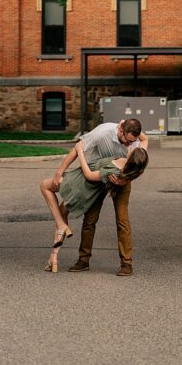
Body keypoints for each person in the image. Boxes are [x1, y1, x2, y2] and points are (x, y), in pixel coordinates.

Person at [51, 118, 149, 276]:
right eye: (128, 141)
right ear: (120, 130)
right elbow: (78, 149)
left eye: (133, 141)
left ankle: (126, 263)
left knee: (122, 220)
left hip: (123, 180)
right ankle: (83, 260)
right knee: (90, 219)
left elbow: (140, 166)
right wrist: (60, 171)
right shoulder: (102, 132)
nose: (130, 145)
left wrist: (125, 179)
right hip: (99, 177)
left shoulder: (134, 141)